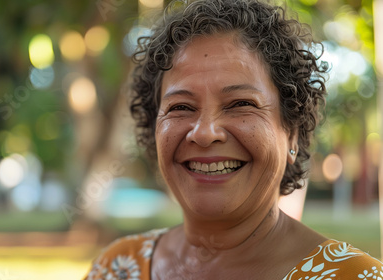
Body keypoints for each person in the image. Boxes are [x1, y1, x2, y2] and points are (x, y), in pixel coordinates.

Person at [83, 0, 383, 279]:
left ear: (291, 132)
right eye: (181, 107)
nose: (204, 132)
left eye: (241, 104)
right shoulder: (118, 267)